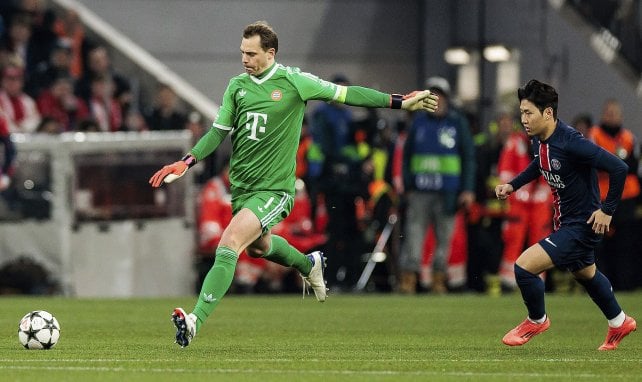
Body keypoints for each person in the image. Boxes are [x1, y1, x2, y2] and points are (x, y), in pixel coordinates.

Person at [148, 20, 438, 348]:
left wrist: (399, 101)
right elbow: (218, 133)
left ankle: (194, 320)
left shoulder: (294, 82)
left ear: (270, 53)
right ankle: (307, 263)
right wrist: (186, 162)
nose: (244, 59)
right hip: (244, 188)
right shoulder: (237, 86)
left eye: (252, 53)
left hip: (274, 190)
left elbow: (347, 95)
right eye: (242, 52)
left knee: (229, 242)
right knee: (258, 247)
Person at [495, 79, 636, 351]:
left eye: (528, 113)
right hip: (567, 223)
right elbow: (540, 164)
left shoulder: (573, 143)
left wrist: (607, 210)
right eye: (521, 113)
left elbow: (619, 168)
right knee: (586, 274)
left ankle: (537, 319)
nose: (523, 119)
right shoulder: (541, 140)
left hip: (581, 226)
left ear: (547, 113)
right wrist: (513, 185)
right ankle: (619, 321)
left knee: (523, 266)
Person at [398, 76, 475, 294]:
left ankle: (439, 280)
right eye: (432, 96)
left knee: (444, 238)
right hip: (420, 190)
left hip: (448, 192)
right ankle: (409, 279)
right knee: (414, 235)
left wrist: (468, 189)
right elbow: (407, 156)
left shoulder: (457, 122)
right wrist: (408, 185)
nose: (436, 100)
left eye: (439, 95)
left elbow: (468, 156)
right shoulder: (417, 122)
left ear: (447, 98)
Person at [588, 99, 640, 291]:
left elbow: (634, 168)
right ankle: (601, 286)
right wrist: (618, 164)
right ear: (603, 115)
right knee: (599, 245)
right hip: (602, 198)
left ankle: (625, 286)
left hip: (626, 198)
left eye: (615, 113)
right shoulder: (594, 136)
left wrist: (614, 164)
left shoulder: (629, 138)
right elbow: (593, 164)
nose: (611, 116)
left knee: (625, 245)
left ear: (621, 116)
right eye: (608, 113)